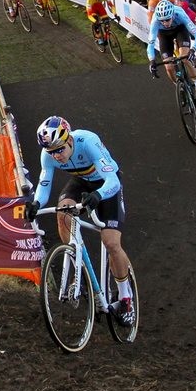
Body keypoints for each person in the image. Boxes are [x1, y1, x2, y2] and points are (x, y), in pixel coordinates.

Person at [27, 116, 136, 338]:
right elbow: (45, 182)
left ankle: (126, 299)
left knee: (111, 242)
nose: (56, 155)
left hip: (106, 184)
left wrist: (98, 195)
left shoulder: (87, 141)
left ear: (68, 140)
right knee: (63, 211)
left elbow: (112, 181)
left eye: (59, 150)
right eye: (51, 152)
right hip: (81, 182)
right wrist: (36, 204)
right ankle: (75, 259)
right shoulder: (47, 153)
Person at [147, 0, 196, 100]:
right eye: (162, 20)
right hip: (164, 35)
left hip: (180, 30)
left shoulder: (179, 13)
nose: (165, 23)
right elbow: (151, 43)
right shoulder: (155, 20)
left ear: (172, 15)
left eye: (167, 19)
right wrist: (152, 61)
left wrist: (193, 50)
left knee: (185, 58)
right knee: (169, 67)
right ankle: (180, 87)